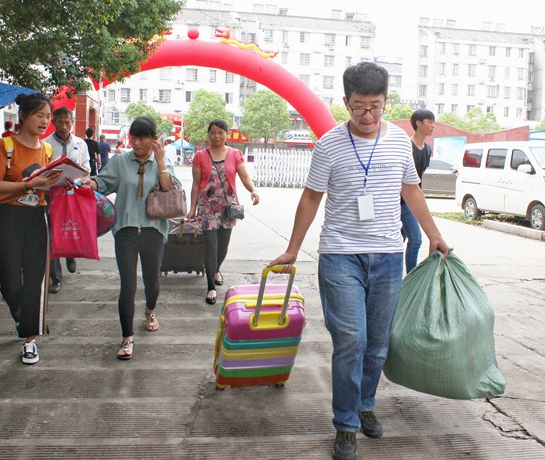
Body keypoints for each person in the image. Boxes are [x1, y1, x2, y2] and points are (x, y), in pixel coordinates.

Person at [268, 62, 449, 460]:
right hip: (340, 256)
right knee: (351, 340)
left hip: (387, 256)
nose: (367, 116)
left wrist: (434, 234)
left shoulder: (401, 142)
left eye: (376, 107)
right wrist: (293, 247)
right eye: (359, 107)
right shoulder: (329, 144)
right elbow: (311, 197)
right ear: (345, 102)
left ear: (386, 102)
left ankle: (366, 404)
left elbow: (412, 191)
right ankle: (346, 425)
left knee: (377, 345)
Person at [81, 116, 178, 360]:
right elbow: (103, 183)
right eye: (134, 137)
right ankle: (127, 338)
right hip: (124, 230)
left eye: (142, 137)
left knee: (152, 282)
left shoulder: (161, 162)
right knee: (128, 285)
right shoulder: (120, 161)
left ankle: (150, 310)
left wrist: (161, 160)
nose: (136, 142)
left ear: (153, 139)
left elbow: (169, 189)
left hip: (153, 231)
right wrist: (88, 182)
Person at [0, 92, 63, 365]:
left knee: (35, 280)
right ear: (23, 116)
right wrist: (29, 184)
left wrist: (60, 181)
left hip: (38, 216)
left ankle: (30, 340)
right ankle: (21, 313)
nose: (45, 122)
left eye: (48, 117)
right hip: (8, 216)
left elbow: (46, 186)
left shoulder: (48, 150)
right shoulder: (5, 145)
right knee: (9, 282)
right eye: (39, 115)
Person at [186, 119, 260, 305]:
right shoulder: (200, 156)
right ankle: (211, 286)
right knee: (211, 246)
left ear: (226, 134)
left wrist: (253, 190)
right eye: (212, 132)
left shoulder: (235, 154)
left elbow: (244, 176)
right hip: (207, 207)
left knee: (223, 246)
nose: (216, 136)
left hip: (228, 207)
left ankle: (216, 268)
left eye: (220, 132)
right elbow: (196, 184)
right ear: (208, 134)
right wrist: (192, 208)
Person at [43, 107, 90, 294]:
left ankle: (70, 253)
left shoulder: (81, 144)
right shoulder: (45, 144)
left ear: (72, 122)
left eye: (68, 122)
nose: (64, 126)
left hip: (74, 193)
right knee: (52, 234)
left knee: (71, 228)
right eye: (60, 122)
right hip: (52, 195)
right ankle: (56, 278)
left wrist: (78, 180)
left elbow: (86, 168)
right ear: (53, 122)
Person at [401, 109, 435, 273]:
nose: (433, 126)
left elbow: (419, 179)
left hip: (413, 202)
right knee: (416, 239)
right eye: (429, 122)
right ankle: (411, 278)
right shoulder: (406, 147)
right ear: (418, 124)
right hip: (400, 202)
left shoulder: (427, 149)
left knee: (399, 238)